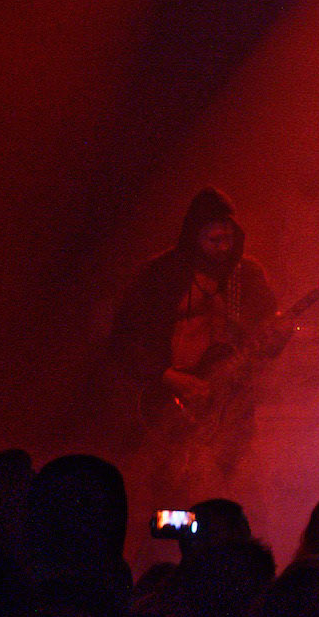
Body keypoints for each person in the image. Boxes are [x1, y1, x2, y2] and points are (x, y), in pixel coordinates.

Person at [110, 188, 288, 497]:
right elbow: (124, 336)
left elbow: (264, 339)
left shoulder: (246, 274)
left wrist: (279, 335)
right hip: (169, 401)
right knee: (167, 488)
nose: (222, 248)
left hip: (228, 403)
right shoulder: (160, 274)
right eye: (213, 240)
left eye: (228, 239)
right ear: (194, 236)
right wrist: (166, 375)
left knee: (228, 487)